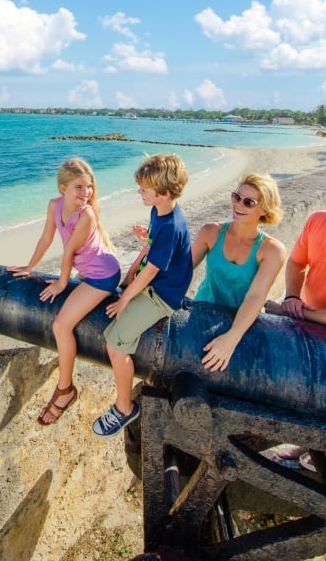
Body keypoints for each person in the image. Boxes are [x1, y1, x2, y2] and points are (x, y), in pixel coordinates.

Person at [8, 157, 121, 426]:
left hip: (102, 275)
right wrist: (30, 266)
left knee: (61, 326)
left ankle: (65, 389)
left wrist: (61, 283)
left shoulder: (87, 215)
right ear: (63, 189)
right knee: (63, 322)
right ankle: (65, 387)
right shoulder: (54, 205)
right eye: (79, 188)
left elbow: (68, 250)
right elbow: (47, 237)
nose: (86, 193)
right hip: (89, 270)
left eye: (89, 187)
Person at [263, 160, 326, 471]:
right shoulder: (318, 222)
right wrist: (291, 297)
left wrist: (301, 313)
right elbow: (296, 262)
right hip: (310, 319)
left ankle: (318, 450)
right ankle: (304, 444)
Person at [92, 153, 192, 438]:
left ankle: (124, 408)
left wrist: (125, 299)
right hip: (153, 283)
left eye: (144, 189)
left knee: (116, 345)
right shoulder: (159, 213)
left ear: (163, 193)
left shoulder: (171, 226)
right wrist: (134, 266)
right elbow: (152, 248)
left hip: (162, 295)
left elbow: (152, 272)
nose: (139, 192)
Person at [191, 172, 286, 371]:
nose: (238, 205)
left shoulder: (271, 250)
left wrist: (231, 338)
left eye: (248, 202)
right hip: (203, 312)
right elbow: (181, 271)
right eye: (236, 197)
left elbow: (255, 297)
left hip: (240, 322)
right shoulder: (211, 232)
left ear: (264, 208)